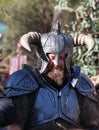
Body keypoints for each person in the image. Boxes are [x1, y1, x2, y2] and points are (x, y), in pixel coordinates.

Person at [0, 21, 99, 130]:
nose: (56, 63)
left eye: (62, 57)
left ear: (69, 57)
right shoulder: (23, 82)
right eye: (52, 57)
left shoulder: (80, 83)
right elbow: (14, 127)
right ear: (43, 57)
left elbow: (92, 125)